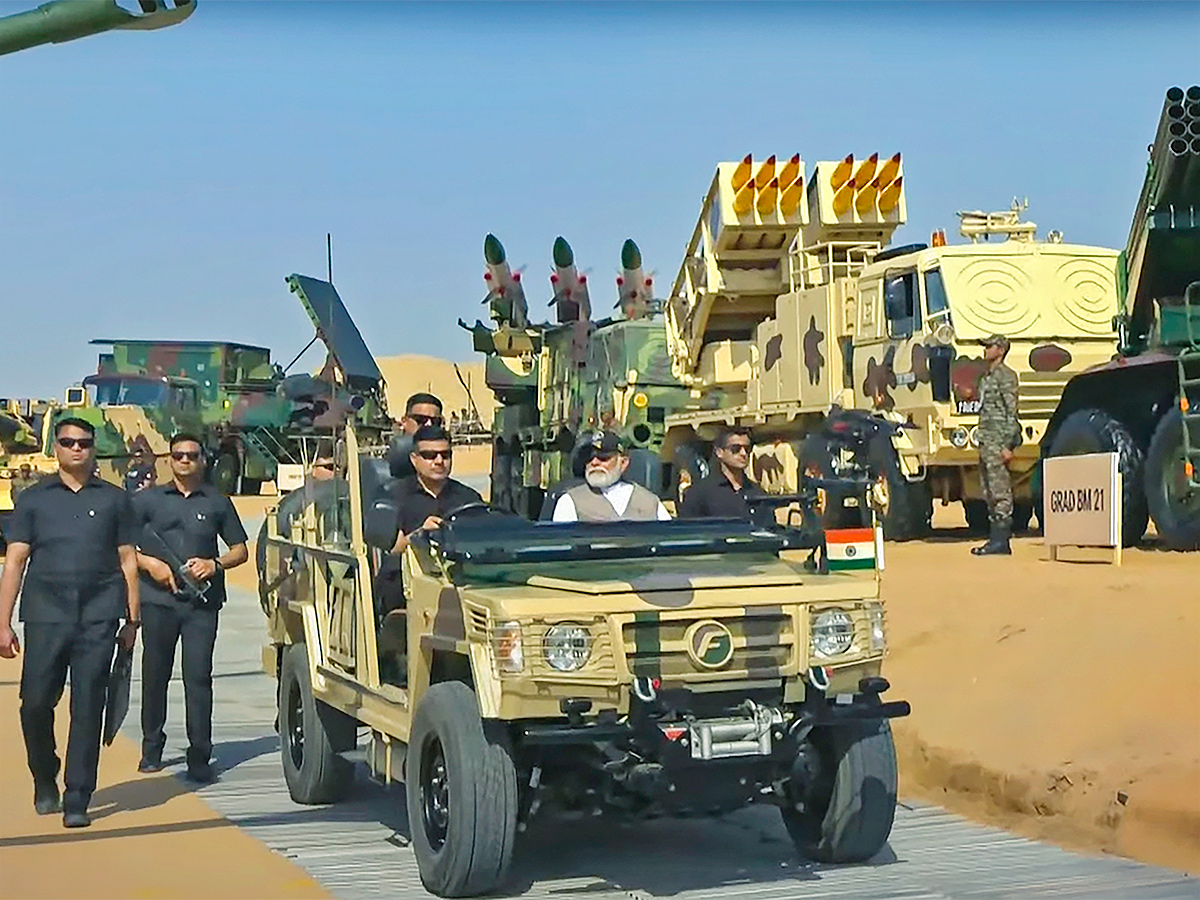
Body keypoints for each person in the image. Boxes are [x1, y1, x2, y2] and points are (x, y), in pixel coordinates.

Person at [0, 417, 140, 828]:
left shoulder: (116, 500)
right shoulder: (33, 500)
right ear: (56, 448)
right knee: (36, 704)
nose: (76, 448)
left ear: (93, 448)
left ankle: (78, 795)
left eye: (83, 442)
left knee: (88, 707)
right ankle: (45, 777)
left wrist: (133, 620)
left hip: (99, 616)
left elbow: (128, 560)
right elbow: (15, 562)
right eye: (67, 442)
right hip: (46, 616)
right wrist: (2, 622)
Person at [132, 433, 248, 783]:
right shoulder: (147, 501)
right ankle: (152, 748)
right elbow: (122, 547)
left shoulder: (217, 502)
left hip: (202, 604)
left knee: (198, 679)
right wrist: (150, 564)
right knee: (155, 676)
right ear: (170, 460)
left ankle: (199, 756)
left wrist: (214, 564)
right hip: (158, 601)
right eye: (179, 455)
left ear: (202, 460)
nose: (185, 461)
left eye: (192, 455)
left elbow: (240, 549)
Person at [386, 424, 483, 554]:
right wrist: (420, 535)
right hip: (404, 572)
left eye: (445, 455)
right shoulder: (393, 497)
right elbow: (390, 551)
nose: (439, 461)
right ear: (414, 459)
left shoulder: (469, 498)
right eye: (430, 455)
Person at [972, 334, 1021, 556]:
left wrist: (1007, 444)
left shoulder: (1006, 376)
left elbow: (1012, 413)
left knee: (1000, 491)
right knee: (988, 490)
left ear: (1001, 350)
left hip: (999, 441)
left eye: (989, 347)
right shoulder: (986, 377)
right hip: (987, 441)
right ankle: (995, 540)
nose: (985, 350)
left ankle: (1002, 540)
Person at [552, 431, 671, 523]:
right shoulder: (570, 501)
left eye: (603, 458)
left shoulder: (650, 502)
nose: (594, 463)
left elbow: (668, 542)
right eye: (589, 457)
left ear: (623, 463)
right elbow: (561, 548)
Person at [677, 427, 764, 519]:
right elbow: (688, 528)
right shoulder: (700, 493)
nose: (743, 453)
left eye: (747, 449)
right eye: (735, 449)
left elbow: (770, 528)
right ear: (719, 452)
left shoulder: (757, 493)